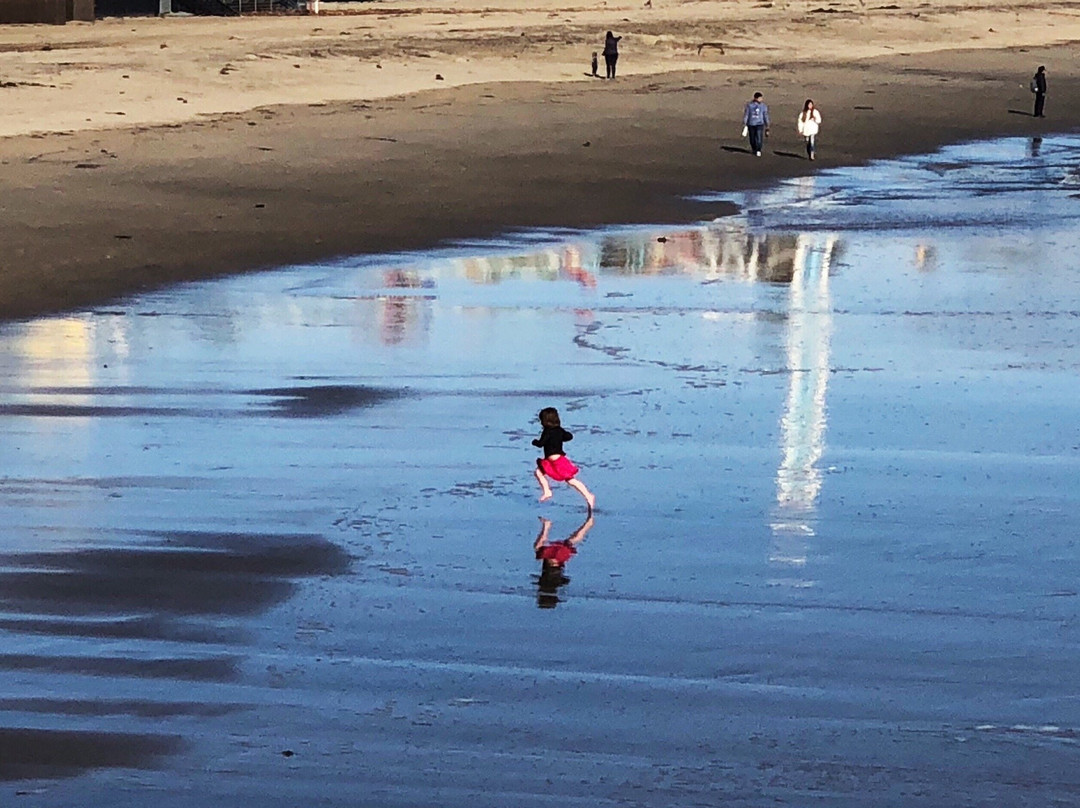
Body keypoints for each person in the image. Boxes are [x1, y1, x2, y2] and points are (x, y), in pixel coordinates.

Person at [531, 406, 595, 509]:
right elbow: (569, 437)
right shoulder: (559, 430)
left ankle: (588, 495)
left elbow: (541, 443)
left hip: (557, 461)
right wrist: (561, 436)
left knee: (570, 479)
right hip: (551, 461)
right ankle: (547, 491)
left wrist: (535, 442)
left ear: (545, 421)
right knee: (539, 472)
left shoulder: (547, 431)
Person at [534, 513, 594, 608]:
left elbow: (564, 580)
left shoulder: (554, 586)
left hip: (557, 561)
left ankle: (587, 525)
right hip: (553, 560)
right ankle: (546, 526)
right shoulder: (547, 586)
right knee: (539, 547)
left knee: (570, 542)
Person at [743, 92, 770, 157]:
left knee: (759, 137)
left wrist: (767, 124)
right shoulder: (749, 105)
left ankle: (758, 149)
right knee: (752, 138)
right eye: (760, 98)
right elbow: (747, 114)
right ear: (756, 98)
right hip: (751, 123)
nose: (761, 99)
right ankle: (754, 148)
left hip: (760, 123)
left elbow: (765, 115)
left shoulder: (763, 106)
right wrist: (745, 122)